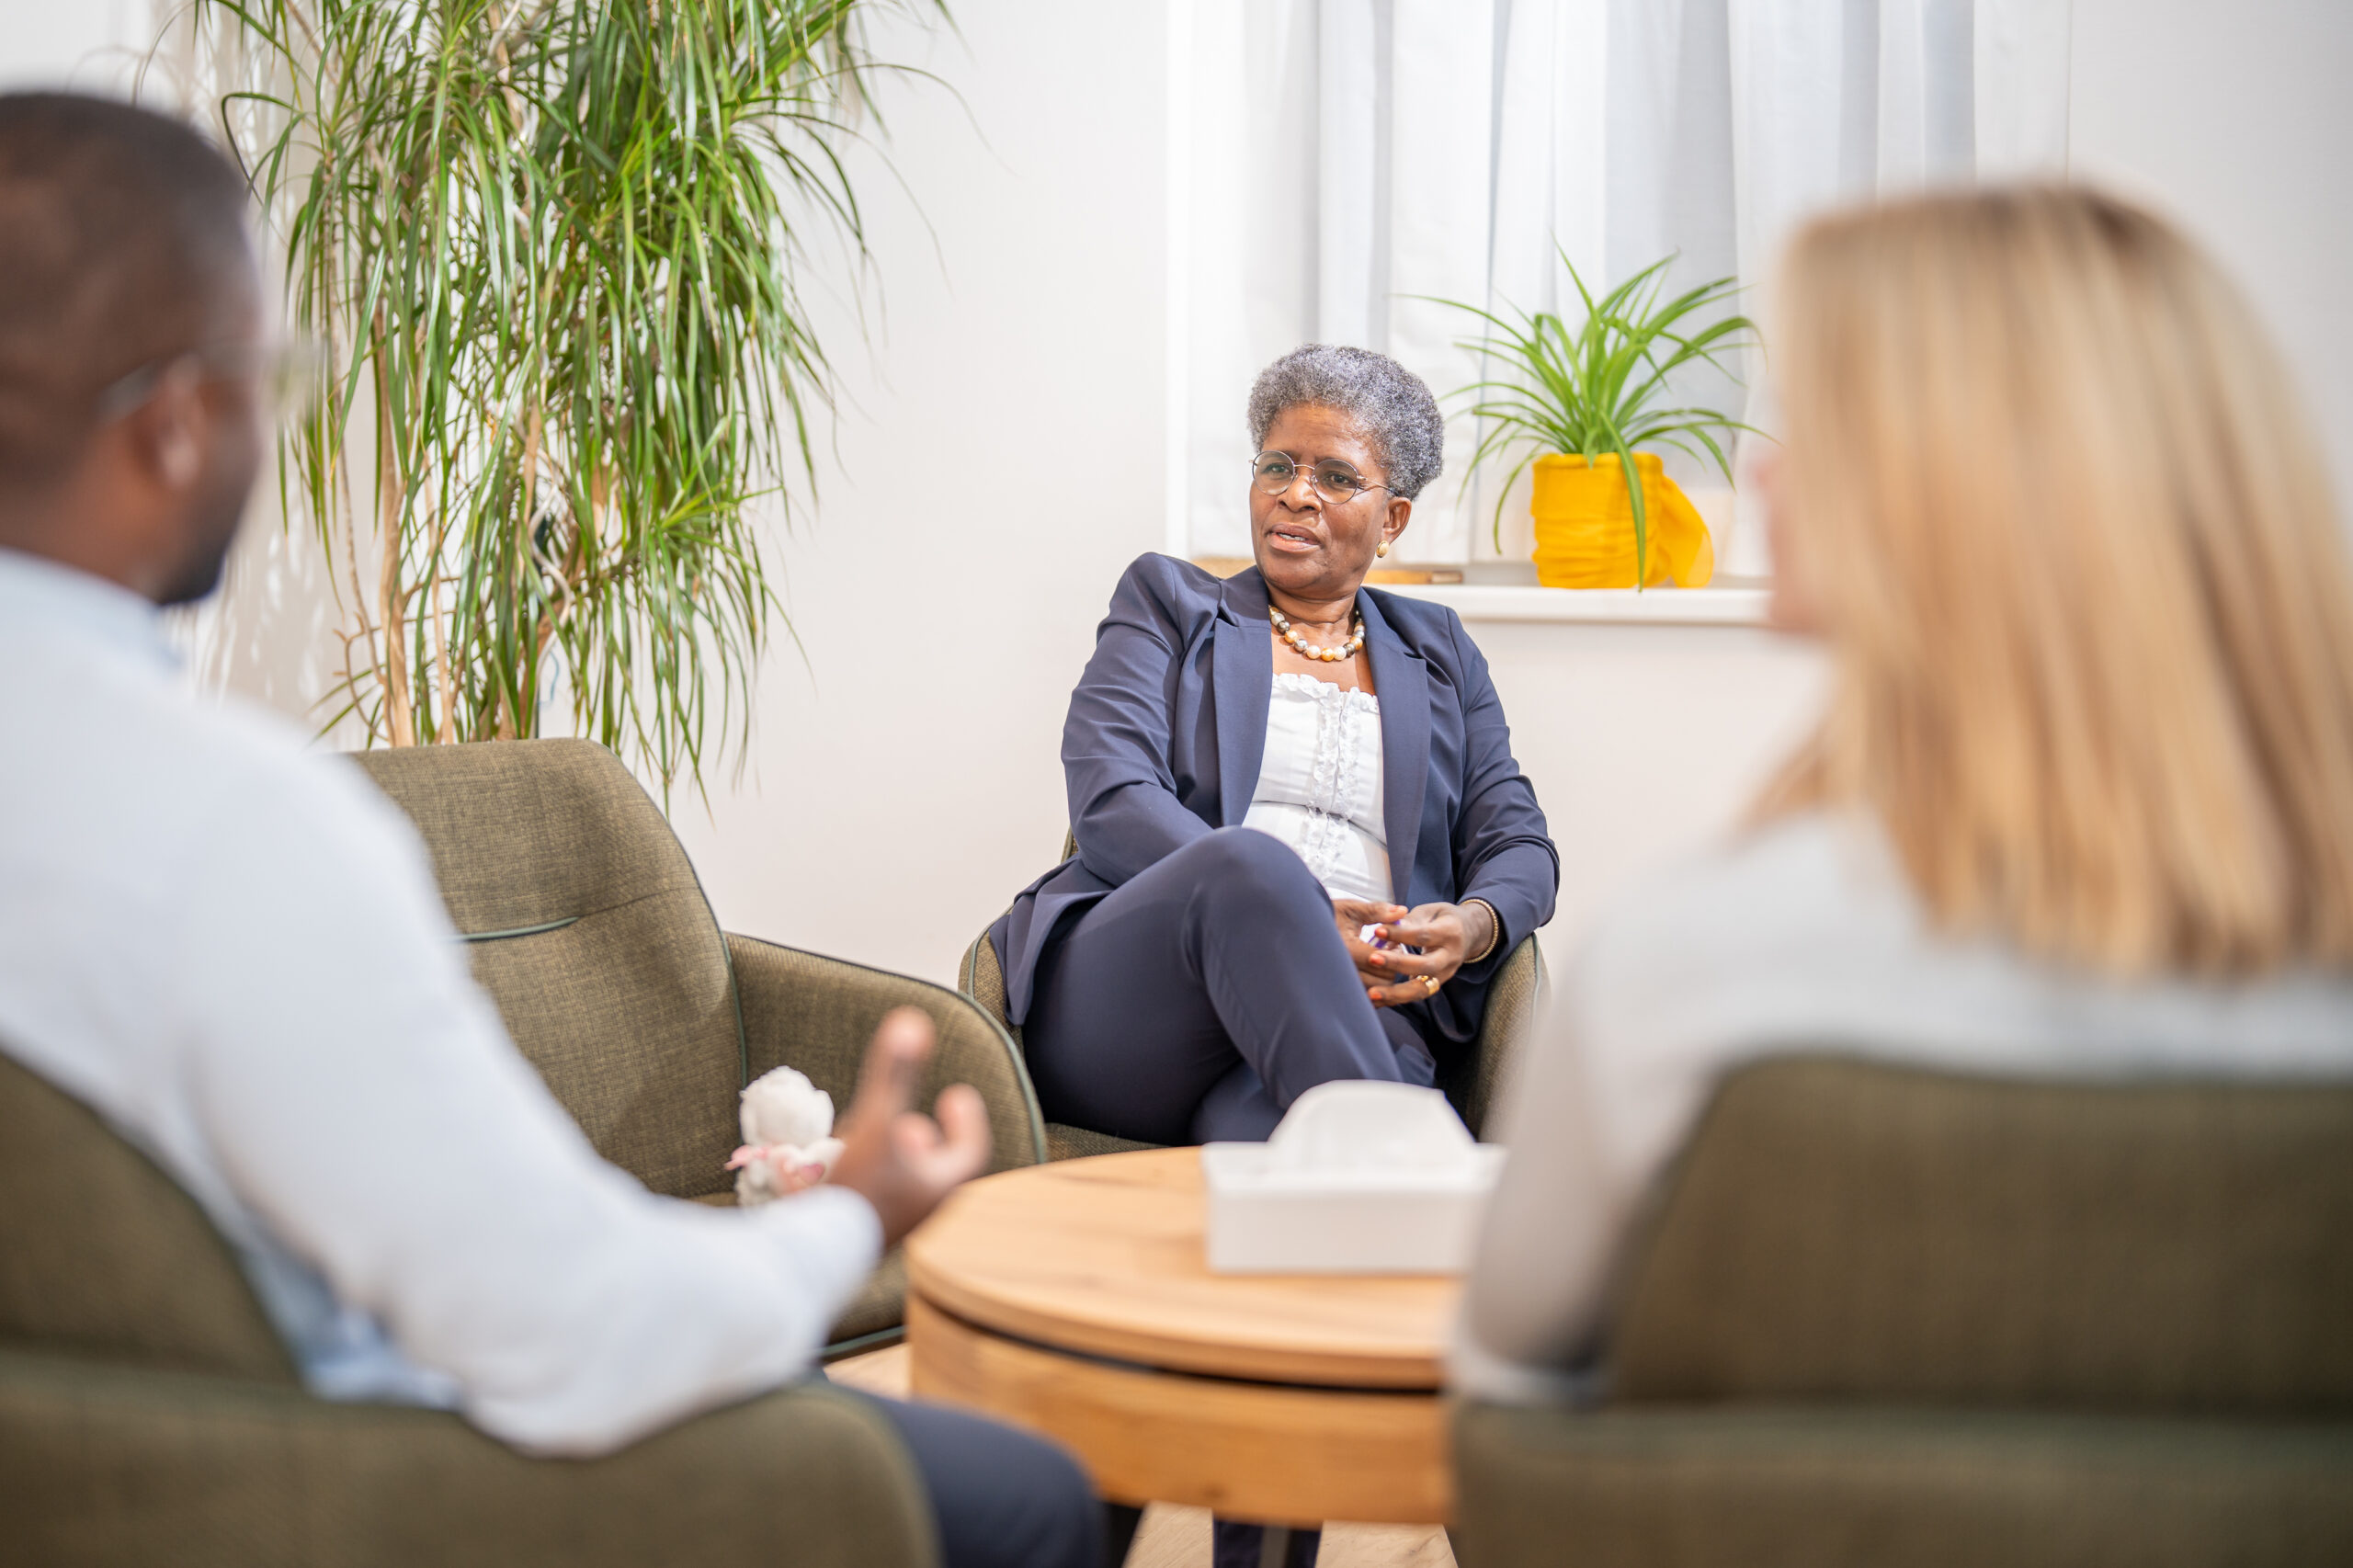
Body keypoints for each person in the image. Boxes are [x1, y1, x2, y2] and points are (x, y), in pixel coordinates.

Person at [0, 93, 1098, 1568]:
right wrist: (850, 1213)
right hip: (390, 1498)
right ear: (182, 420)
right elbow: (582, 1333)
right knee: (1029, 1490)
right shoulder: (234, 835)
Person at [1454, 185, 2353, 1403]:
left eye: (1811, 426)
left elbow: (1507, 1368)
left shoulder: (1692, 967)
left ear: (1939, 489)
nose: (1761, 471)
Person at [990, 344, 1558, 1568]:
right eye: (1278, 466)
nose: (1296, 493)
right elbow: (1110, 799)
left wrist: (1469, 925)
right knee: (1252, 868)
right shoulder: (1170, 602)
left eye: (1334, 476)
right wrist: (1300, 903)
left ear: (1395, 513)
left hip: (1321, 1034)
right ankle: (1442, 1212)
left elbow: (1517, 841)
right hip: (1139, 995)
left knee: (1274, 1152)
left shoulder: (1439, 649)